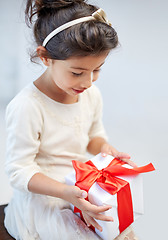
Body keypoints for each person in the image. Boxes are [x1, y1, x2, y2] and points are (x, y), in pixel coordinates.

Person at [4, 0, 138, 239]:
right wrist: (66, 193)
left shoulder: (90, 95)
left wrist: (105, 149)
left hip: (80, 187)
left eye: (97, 69)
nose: (88, 82)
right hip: (46, 197)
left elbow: (92, 138)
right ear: (45, 57)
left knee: (120, 229)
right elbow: (19, 171)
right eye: (77, 73)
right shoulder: (27, 107)